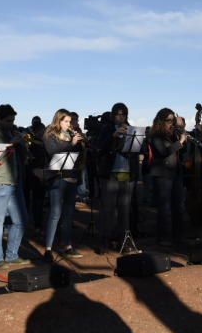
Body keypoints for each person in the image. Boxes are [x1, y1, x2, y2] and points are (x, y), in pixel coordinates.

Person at [0, 104, 30, 267]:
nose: (12, 123)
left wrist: (22, 145)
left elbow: (23, 158)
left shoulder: (10, 132)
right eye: (9, 120)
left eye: (13, 120)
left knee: (21, 220)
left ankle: (11, 255)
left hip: (13, 182)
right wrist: (11, 144)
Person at [95, 103, 140, 250]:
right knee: (108, 209)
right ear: (113, 115)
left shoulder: (131, 129)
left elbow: (140, 148)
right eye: (118, 114)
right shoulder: (106, 129)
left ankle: (124, 241)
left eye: (123, 114)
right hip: (110, 174)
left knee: (125, 209)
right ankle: (104, 240)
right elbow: (99, 148)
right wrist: (113, 136)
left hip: (127, 173)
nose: (120, 117)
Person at [42, 110, 85, 261]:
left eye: (70, 121)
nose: (69, 124)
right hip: (57, 177)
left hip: (71, 177)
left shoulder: (70, 135)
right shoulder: (50, 134)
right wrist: (71, 144)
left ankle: (66, 245)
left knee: (68, 214)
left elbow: (77, 156)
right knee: (55, 213)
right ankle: (48, 248)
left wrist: (80, 143)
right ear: (58, 121)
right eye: (66, 121)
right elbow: (53, 151)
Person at [148, 108, 188, 247]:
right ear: (161, 121)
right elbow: (164, 151)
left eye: (172, 120)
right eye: (168, 120)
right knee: (164, 208)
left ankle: (178, 236)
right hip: (162, 174)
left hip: (175, 172)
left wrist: (181, 133)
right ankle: (164, 237)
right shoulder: (156, 135)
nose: (171, 123)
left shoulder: (173, 134)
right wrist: (180, 142)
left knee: (178, 205)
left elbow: (181, 153)